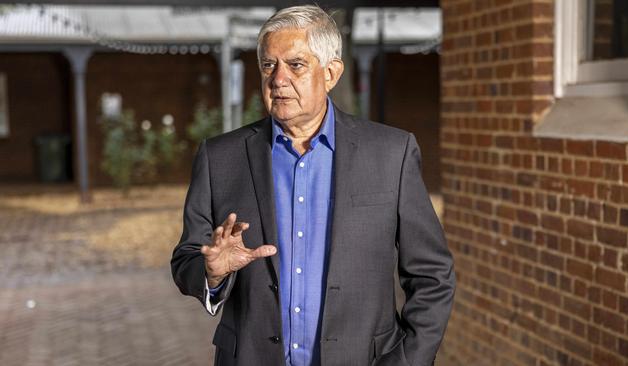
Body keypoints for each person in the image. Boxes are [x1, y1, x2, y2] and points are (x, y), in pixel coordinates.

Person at [171, 5, 455, 366]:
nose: (278, 79)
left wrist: (408, 360)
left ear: (332, 72)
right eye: (268, 65)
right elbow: (186, 260)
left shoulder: (390, 154)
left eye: (296, 65)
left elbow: (433, 276)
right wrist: (212, 272)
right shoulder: (220, 157)